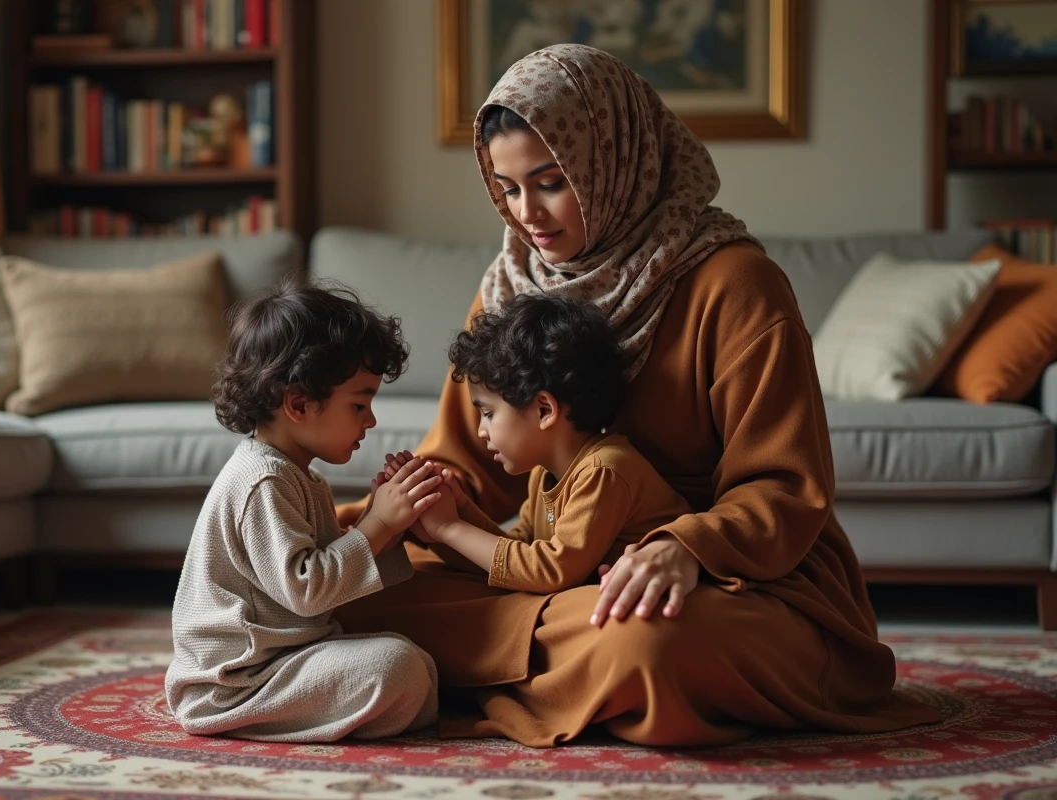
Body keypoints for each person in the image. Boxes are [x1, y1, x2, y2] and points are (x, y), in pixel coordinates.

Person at [334, 43, 942, 749]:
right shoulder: (511, 286)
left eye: (552, 181)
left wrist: (682, 547)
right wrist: (366, 524)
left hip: (723, 581)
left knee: (649, 644)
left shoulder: (737, 285)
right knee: (354, 587)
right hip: (556, 576)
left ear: (613, 160)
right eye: (507, 188)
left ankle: (480, 667)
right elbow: (470, 466)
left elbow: (784, 489)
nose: (527, 213)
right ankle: (533, 664)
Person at [166, 283, 441, 743]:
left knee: (415, 660)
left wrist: (386, 524)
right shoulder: (264, 481)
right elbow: (310, 590)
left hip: (287, 656)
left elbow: (331, 575)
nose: (370, 421)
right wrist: (379, 525)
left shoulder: (298, 475)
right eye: (359, 404)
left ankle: (395, 708)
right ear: (298, 404)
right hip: (237, 683)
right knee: (397, 667)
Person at [392, 292, 692, 597]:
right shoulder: (545, 473)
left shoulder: (606, 470)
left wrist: (450, 529)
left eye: (488, 413)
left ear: (544, 410)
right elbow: (516, 554)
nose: (481, 431)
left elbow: (550, 571)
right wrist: (454, 514)